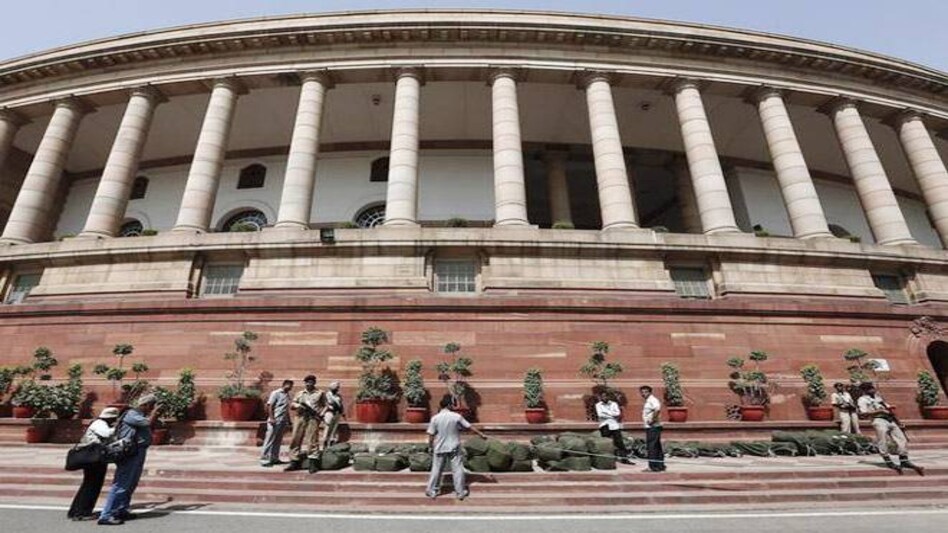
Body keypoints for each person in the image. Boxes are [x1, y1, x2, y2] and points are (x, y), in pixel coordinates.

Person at [98, 394, 161, 526]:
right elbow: (148, 423)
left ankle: (121, 509)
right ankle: (107, 514)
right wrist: (156, 413)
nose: (151, 409)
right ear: (145, 405)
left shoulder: (139, 415)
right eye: (151, 406)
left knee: (131, 483)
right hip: (130, 453)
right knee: (122, 483)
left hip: (137, 452)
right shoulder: (131, 414)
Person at [425, 394, 487, 500]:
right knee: (457, 469)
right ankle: (460, 492)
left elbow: (431, 434)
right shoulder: (456, 416)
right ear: (449, 405)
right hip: (454, 446)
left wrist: (430, 446)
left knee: (436, 469)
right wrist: (481, 434)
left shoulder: (435, 418)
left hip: (440, 447)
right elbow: (469, 426)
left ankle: (431, 490)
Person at [857, 382, 924, 475]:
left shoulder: (878, 397)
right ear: (864, 390)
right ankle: (888, 460)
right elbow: (863, 413)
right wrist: (878, 411)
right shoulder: (862, 400)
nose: (872, 390)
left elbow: (889, 410)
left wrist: (899, 422)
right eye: (869, 388)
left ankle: (904, 459)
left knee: (902, 439)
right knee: (882, 440)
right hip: (878, 420)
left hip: (890, 420)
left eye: (872, 388)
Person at [67, 407, 120, 521]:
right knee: (92, 485)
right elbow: (106, 434)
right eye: (113, 419)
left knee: (89, 485)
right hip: (93, 459)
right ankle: (82, 512)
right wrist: (118, 427)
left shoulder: (103, 424)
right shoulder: (99, 423)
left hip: (95, 459)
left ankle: (76, 510)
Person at [284, 374, 326, 472]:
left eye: (310, 382)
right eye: (307, 382)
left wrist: (321, 414)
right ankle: (294, 461)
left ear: (314, 383)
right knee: (295, 438)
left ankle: (313, 462)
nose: (308, 384)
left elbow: (325, 405)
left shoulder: (320, 393)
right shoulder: (300, 393)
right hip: (300, 417)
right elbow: (292, 404)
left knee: (312, 440)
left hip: (313, 418)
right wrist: (298, 405)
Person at [260, 379, 294, 467]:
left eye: (291, 385)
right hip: (274, 420)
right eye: (289, 385)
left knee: (278, 440)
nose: (290, 387)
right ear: (284, 385)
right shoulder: (276, 393)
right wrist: (271, 418)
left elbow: (286, 409)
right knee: (270, 439)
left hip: (282, 420)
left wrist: (289, 421)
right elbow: (270, 405)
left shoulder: (287, 395)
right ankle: (265, 458)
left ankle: (274, 458)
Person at [595, 390, 633, 464]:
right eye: (602, 396)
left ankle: (624, 459)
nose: (604, 398)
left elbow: (618, 413)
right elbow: (600, 415)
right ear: (600, 397)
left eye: (606, 396)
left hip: (614, 425)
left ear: (608, 397)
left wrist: (607, 413)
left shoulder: (614, 404)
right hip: (605, 425)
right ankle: (607, 460)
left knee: (620, 443)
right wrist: (612, 415)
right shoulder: (598, 405)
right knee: (606, 443)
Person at [640, 386, 665, 472]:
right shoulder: (648, 401)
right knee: (657, 446)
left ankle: (652, 466)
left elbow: (657, 410)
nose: (644, 394)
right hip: (652, 427)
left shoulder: (652, 400)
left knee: (652, 447)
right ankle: (660, 465)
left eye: (646, 392)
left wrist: (652, 420)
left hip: (653, 427)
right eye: (642, 392)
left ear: (650, 392)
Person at [321, 381, 345, 449]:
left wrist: (342, 412)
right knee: (328, 428)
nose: (337, 388)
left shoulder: (338, 395)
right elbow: (325, 404)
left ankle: (332, 442)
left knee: (334, 429)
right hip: (329, 413)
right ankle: (325, 443)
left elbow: (341, 404)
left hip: (337, 413)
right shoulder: (327, 395)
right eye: (336, 387)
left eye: (337, 387)